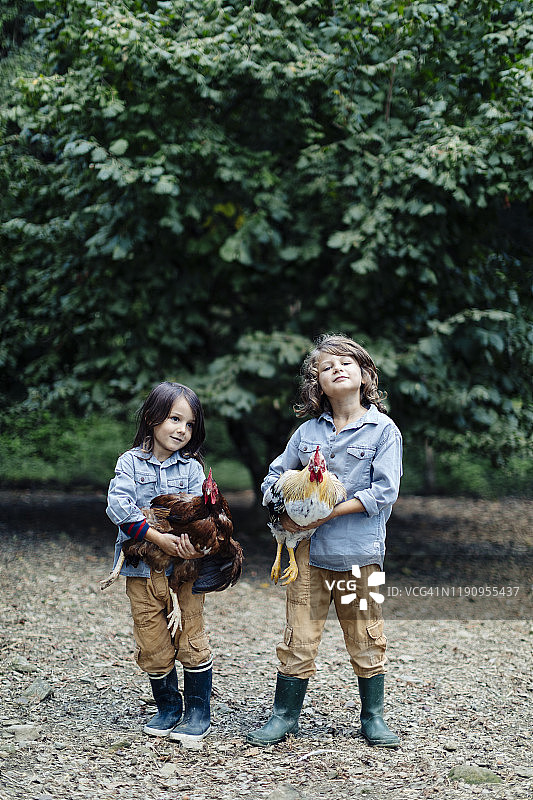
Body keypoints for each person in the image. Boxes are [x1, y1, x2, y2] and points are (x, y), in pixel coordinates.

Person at [246, 334, 402, 748]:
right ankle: (284, 715)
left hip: (358, 555)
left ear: (364, 374)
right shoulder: (306, 433)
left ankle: (373, 717)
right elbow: (273, 476)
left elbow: (384, 493)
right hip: (306, 555)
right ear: (317, 384)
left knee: (366, 635)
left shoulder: (383, 431)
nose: (337, 368)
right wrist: (283, 509)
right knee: (299, 636)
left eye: (345, 362)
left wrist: (324, 512)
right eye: (326, 366)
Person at [106, 381, 212, 744]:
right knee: (151, 640)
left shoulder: (193, 470)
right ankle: (168, 706)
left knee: (191, 635)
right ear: (152, 418)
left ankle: (198, 710)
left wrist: (190, 544)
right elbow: (118, 506)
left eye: (189, 424)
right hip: (140, 570)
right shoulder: (129, 462)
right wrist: (155, 537)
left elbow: (203, 517)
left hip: (183, 572)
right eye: (174, 419)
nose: (181, 429)